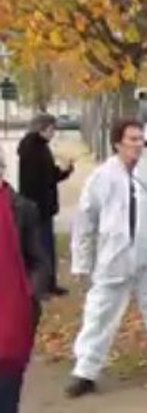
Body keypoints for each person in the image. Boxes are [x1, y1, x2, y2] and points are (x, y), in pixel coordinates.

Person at [67, 118, 147, 398]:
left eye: (141, 139)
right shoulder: (101, 177)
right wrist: (81, 262)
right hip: (112, 258)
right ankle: (85, 370)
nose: (138, 144)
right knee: (99, 314)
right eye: (132, 139)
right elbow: (85, 221)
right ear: (118, 142)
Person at [0, 149, 51, 413]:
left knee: (7, 380)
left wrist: (28, 294)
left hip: (11, 308)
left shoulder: (22, 210)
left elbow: (40, 262)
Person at [17, 113, 73, 296]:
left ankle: (48, 283)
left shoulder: (38, 147)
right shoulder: (33, 149)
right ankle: (42, 286)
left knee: (44, 247)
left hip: (40, 207)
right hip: (38, 208)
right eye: (52, 129)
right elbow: (39, 180)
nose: (53, 133)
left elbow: (48, 175)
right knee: (41, 248)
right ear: (43, 129)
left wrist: (65, 172)